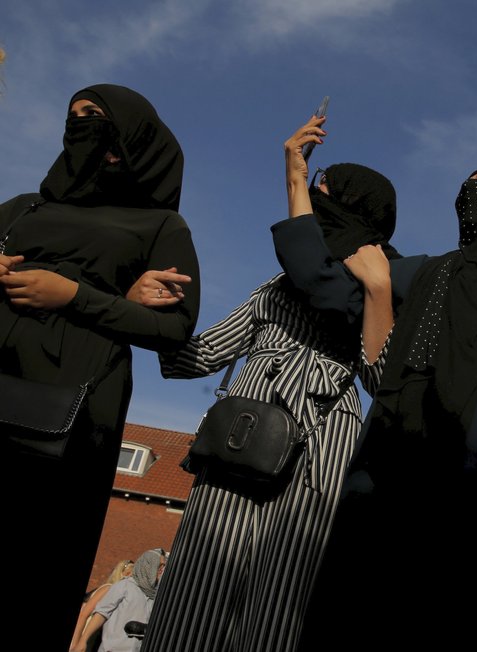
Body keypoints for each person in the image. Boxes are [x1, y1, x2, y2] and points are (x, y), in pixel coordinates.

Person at [138, 115, 396, 652]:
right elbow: (204, 352)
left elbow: (380, 377)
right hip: (241, 436)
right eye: (314, 189)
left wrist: (378, 294)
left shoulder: (382, 280)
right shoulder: (276, 287)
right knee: (198, 586)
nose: (316, 201)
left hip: (323, 449)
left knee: (286, 598)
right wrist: (151, 316)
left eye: (326, 192)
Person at [298, 163, 477, 650]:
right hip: (390, 476)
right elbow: (325, 265)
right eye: (469, 184)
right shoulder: (427, 272)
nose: (474, 190)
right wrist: (299, 183)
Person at [0, 84, 199, 651]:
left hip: (68, 412)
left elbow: (174, 328)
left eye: (95, 117)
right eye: (73, 116)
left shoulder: (159, 226)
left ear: (129, 138)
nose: (79, 125)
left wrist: (75, 295)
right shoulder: (22, 208)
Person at [71, 548, 166, 652]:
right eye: (159, 565)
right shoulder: (124, 586)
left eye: (163, 566)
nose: (162, 569)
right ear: (148, 565)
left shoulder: (155, 596)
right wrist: (82, 641)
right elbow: (101, 614)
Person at [71, 559, 135, 652]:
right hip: (79, 637)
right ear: (124, 573)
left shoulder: (115, 594)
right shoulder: (108, 588)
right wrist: (75, 643)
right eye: (131, 575)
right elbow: (83, 614)